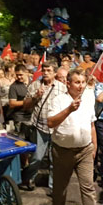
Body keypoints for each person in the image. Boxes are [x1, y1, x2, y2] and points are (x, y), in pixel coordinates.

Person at [47, 68, 103, 205]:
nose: (81, 86)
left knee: (88, 187)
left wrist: (94, 146)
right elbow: (51, 123)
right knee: (61, 187)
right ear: (68, 83)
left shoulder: (87, 100)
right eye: (77, 82)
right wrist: (68, 110)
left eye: (83, 82)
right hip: (63, 151)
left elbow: (92, 124)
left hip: (85, 150)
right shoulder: (59, 100)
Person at [21, 61, 66, 192]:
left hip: (56, 128)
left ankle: (53, 187)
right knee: (37, 157)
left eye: (49, 71)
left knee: (55, 160)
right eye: (44, 71)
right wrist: (36, 96)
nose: (45, 73)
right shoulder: (35, 85)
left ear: (55, 73)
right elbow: (26, 105)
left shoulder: (62, 88)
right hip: (40, 127)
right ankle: (28, 178)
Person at [8, 64, 31, 136]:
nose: (18, 77)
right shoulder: (13, 86)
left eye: (21, 75)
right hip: (20, 118)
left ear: (26, 72)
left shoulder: (34, 83)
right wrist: (27, 102)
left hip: (32, 117)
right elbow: (12, 103)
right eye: (17, 75)